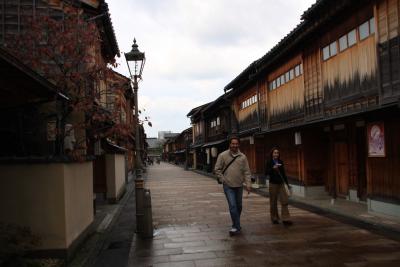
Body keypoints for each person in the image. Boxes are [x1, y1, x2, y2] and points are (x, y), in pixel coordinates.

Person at [214, 136, 252, 236]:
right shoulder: (223, 155)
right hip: (228, 185)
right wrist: (223, 180)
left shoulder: (242, 157)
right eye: (233, 143)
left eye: (236, 144)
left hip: (239, 185)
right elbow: (217, 169)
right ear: (229, 144)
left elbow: (247, 171)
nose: (234, 145)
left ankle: (235, 224)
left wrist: (248, 184)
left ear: (238, 145)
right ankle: (236, 226)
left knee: (239, 206)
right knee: (233, 206)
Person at [265, 147, 293, 226]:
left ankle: (286, 218)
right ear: (272, 154)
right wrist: (273, 168)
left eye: (277, 153)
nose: (276, 154)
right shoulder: (269, 162)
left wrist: (287, 184)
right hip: (273, 183)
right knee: (273, 201)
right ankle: (274, 218)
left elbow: (283, 173)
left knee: (284, 200)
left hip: (281, 183)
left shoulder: (280, 162)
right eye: (274, 153)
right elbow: (266, 173)